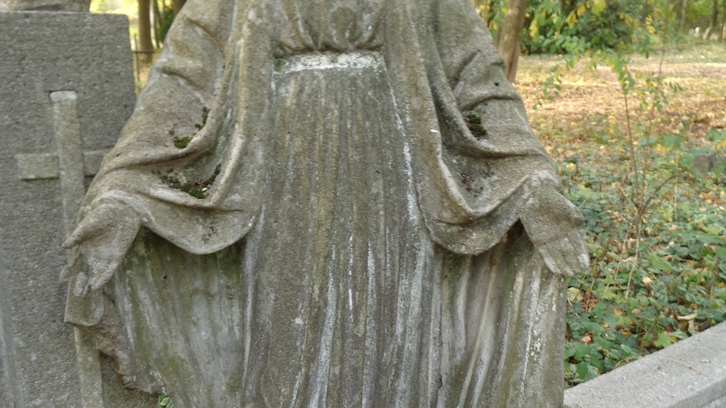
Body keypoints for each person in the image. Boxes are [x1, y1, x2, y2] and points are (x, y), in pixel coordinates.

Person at [62, 0, 588, 406]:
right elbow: (183, 80)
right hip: (283, 181)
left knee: (391, 339)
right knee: (285, 345)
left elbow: (476, 74)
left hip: (394, 178)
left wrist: (531, 179)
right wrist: (123, 191)